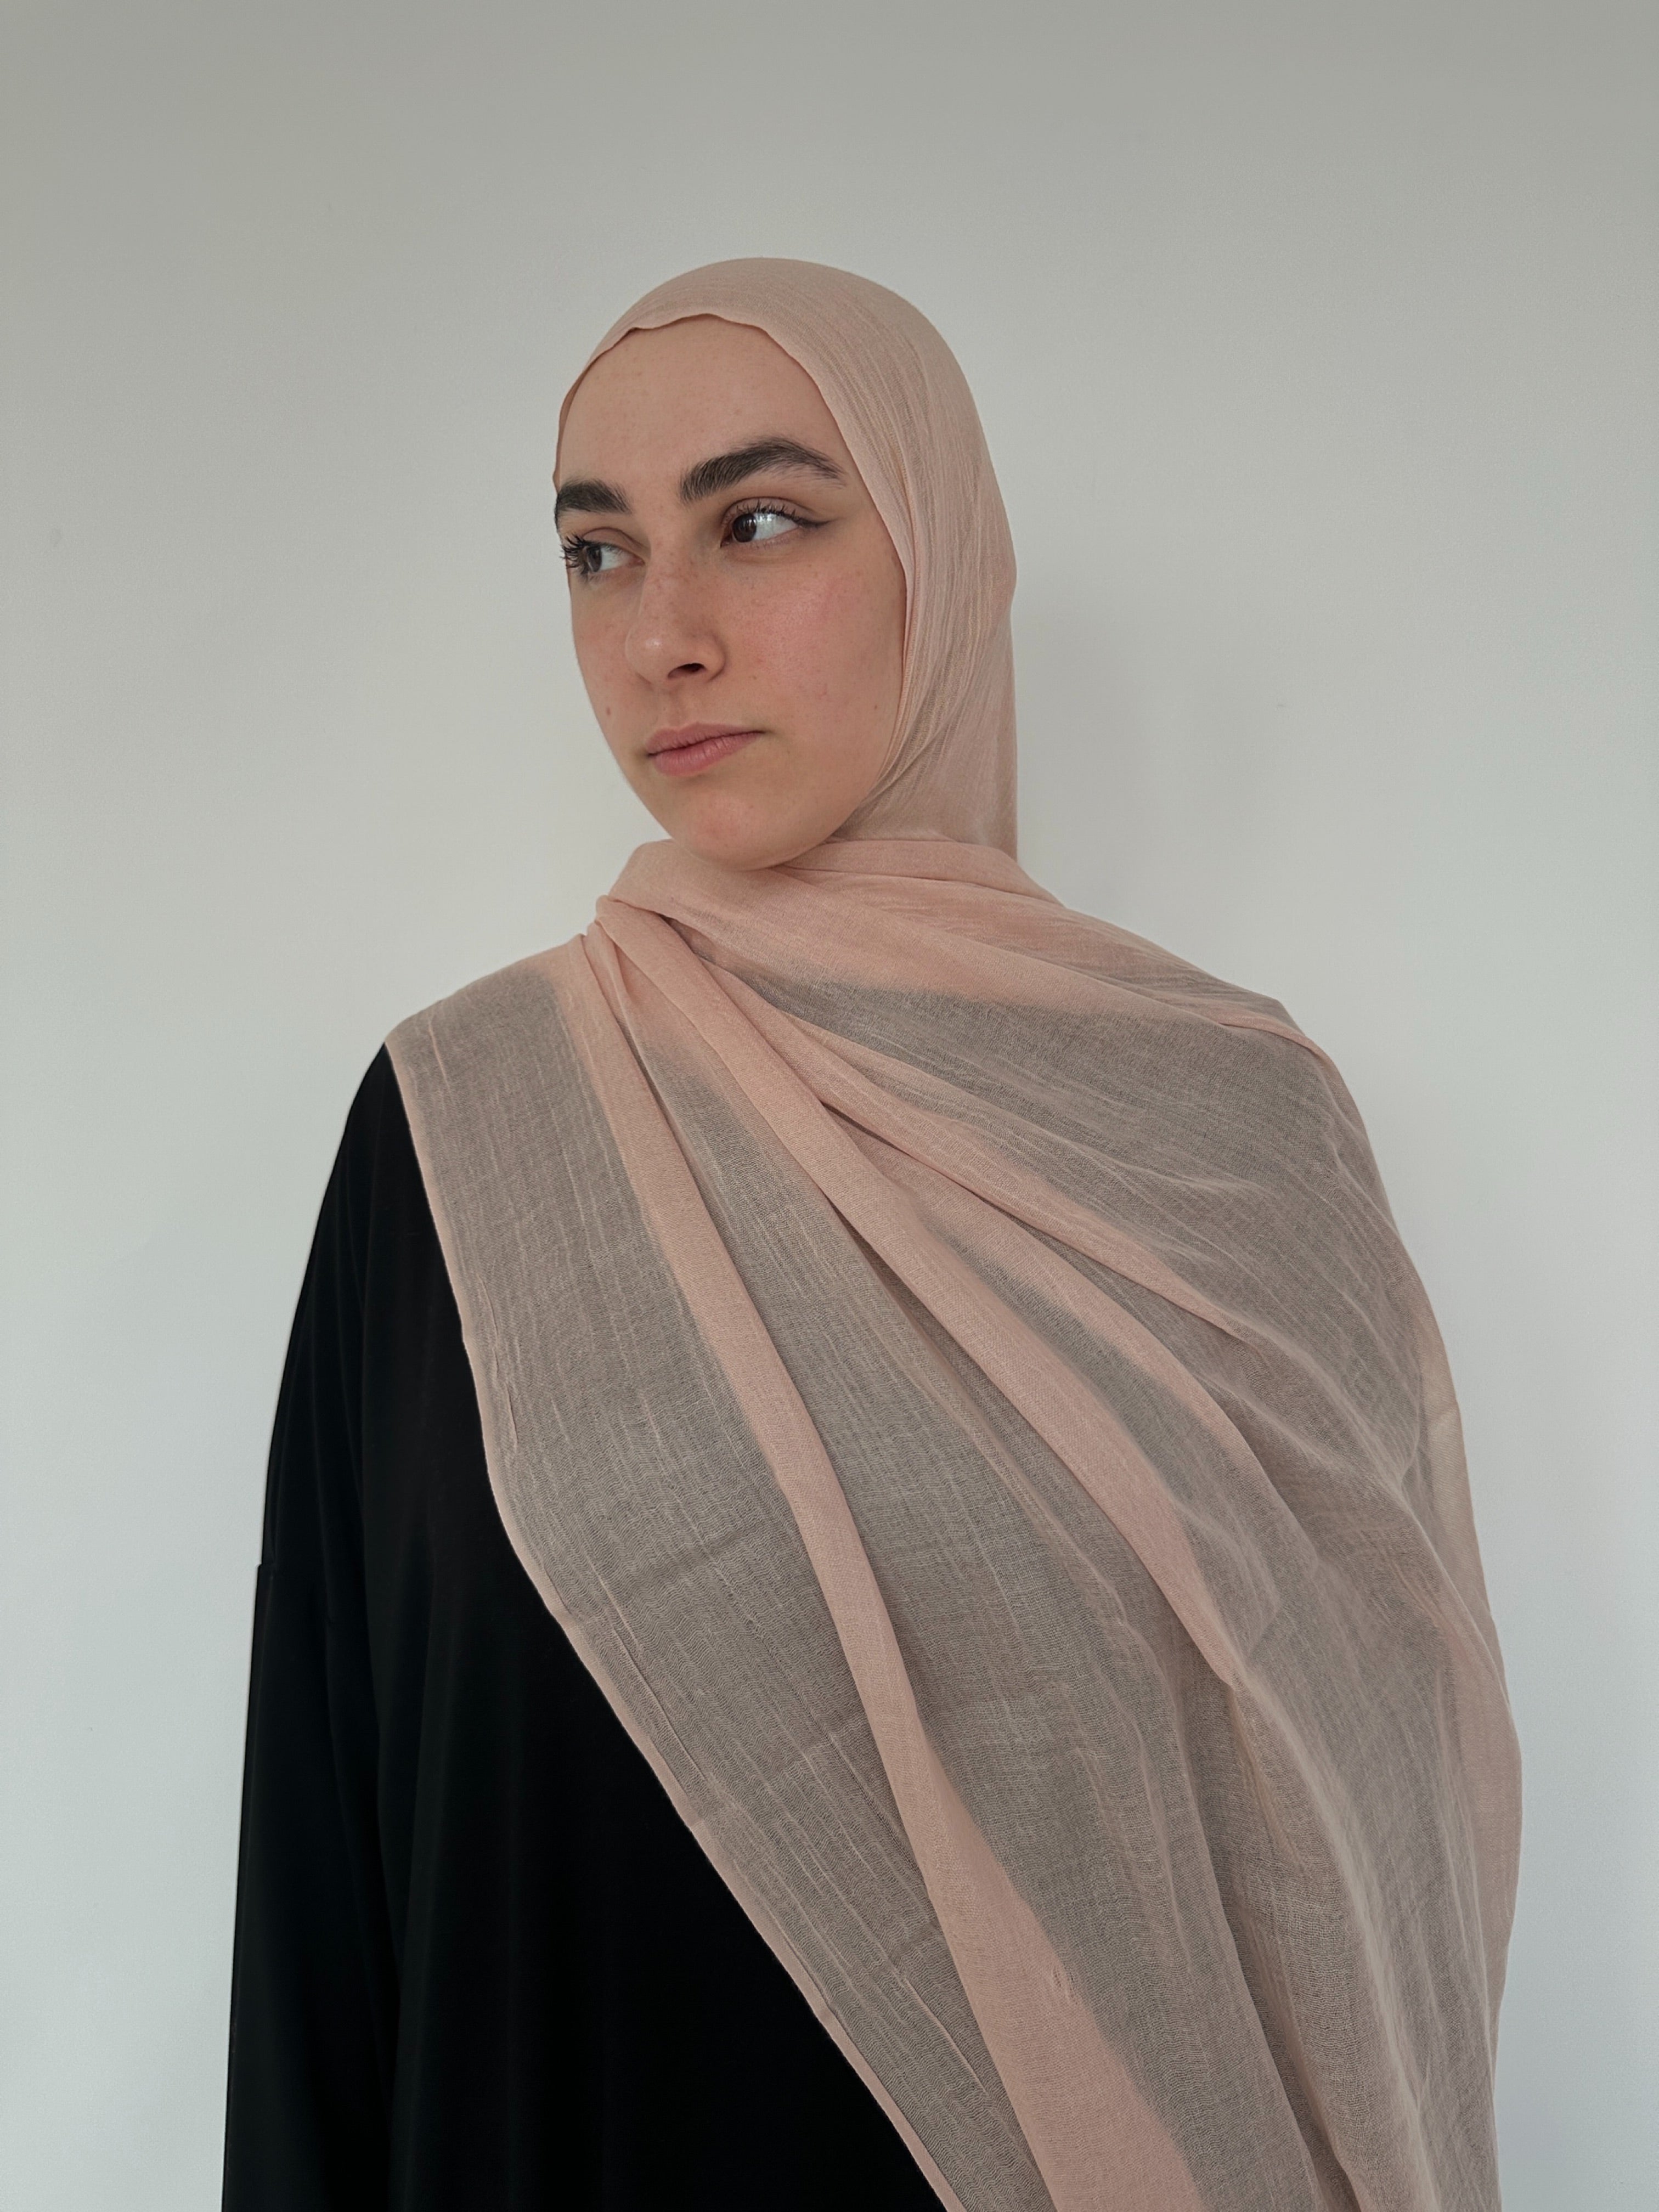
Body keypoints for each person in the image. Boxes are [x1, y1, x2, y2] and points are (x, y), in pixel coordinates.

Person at [222, 259, 1521, 2212]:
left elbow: (1360, 1862)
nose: (664, 636)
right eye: (597, 553)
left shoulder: (1244, 1141)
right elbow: (328, 1892)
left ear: (944, 558)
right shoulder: (466, 1131)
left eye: (758, 524)